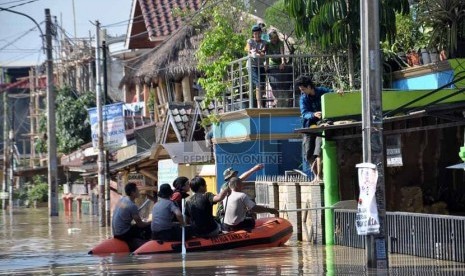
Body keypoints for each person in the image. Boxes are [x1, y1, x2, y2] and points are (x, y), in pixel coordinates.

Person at [296, 75, 342, 182]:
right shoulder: (303, 98)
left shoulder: (322, 91)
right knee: (308, 153)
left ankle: (319, 176)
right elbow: (304, 113)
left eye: (303, 89)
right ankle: (316, 174)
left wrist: (338, 92)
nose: (302, 91)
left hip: (322, 124)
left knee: (318, 150)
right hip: (309, 126)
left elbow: (332, 92)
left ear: (309, 87)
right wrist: (313, 114)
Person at [112, 182, 151, 251]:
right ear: (133, 193)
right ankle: (148, 244)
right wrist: (150, 222)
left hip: (116, 233)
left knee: (136, 226)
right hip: (123, 234)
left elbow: (124, 215)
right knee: (147, 226)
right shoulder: (132, 206)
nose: (139, 192)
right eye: (137, 190)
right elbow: (140, 225)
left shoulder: (122, 199)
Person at [245, 24, 267, 108]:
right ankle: (259, 105)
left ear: (261, 33)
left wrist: (257, 51)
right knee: (258, 84)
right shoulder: (250, 41)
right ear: (253, 34)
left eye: (258, 33)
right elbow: (249, 52)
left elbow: (263, 53)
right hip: (252, 65)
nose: (257, 35)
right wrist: (254, 52)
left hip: (260, 65)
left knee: (262, 84)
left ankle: (260, 102)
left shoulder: (264, 42)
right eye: (255, 33)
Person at [265, 29, 287, 107]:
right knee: (273, 83)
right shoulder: (268, 44)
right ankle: (276, 99)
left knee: (280, 82)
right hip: (272, 64)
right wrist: (267, 65)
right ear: (270, 39)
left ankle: (281, 100)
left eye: (275, 38)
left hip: (279, 64)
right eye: (272, 38)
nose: (274, 40)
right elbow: (267, 56)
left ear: (277, 37)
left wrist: (282, 62)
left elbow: (282, 53)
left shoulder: (280, 43)